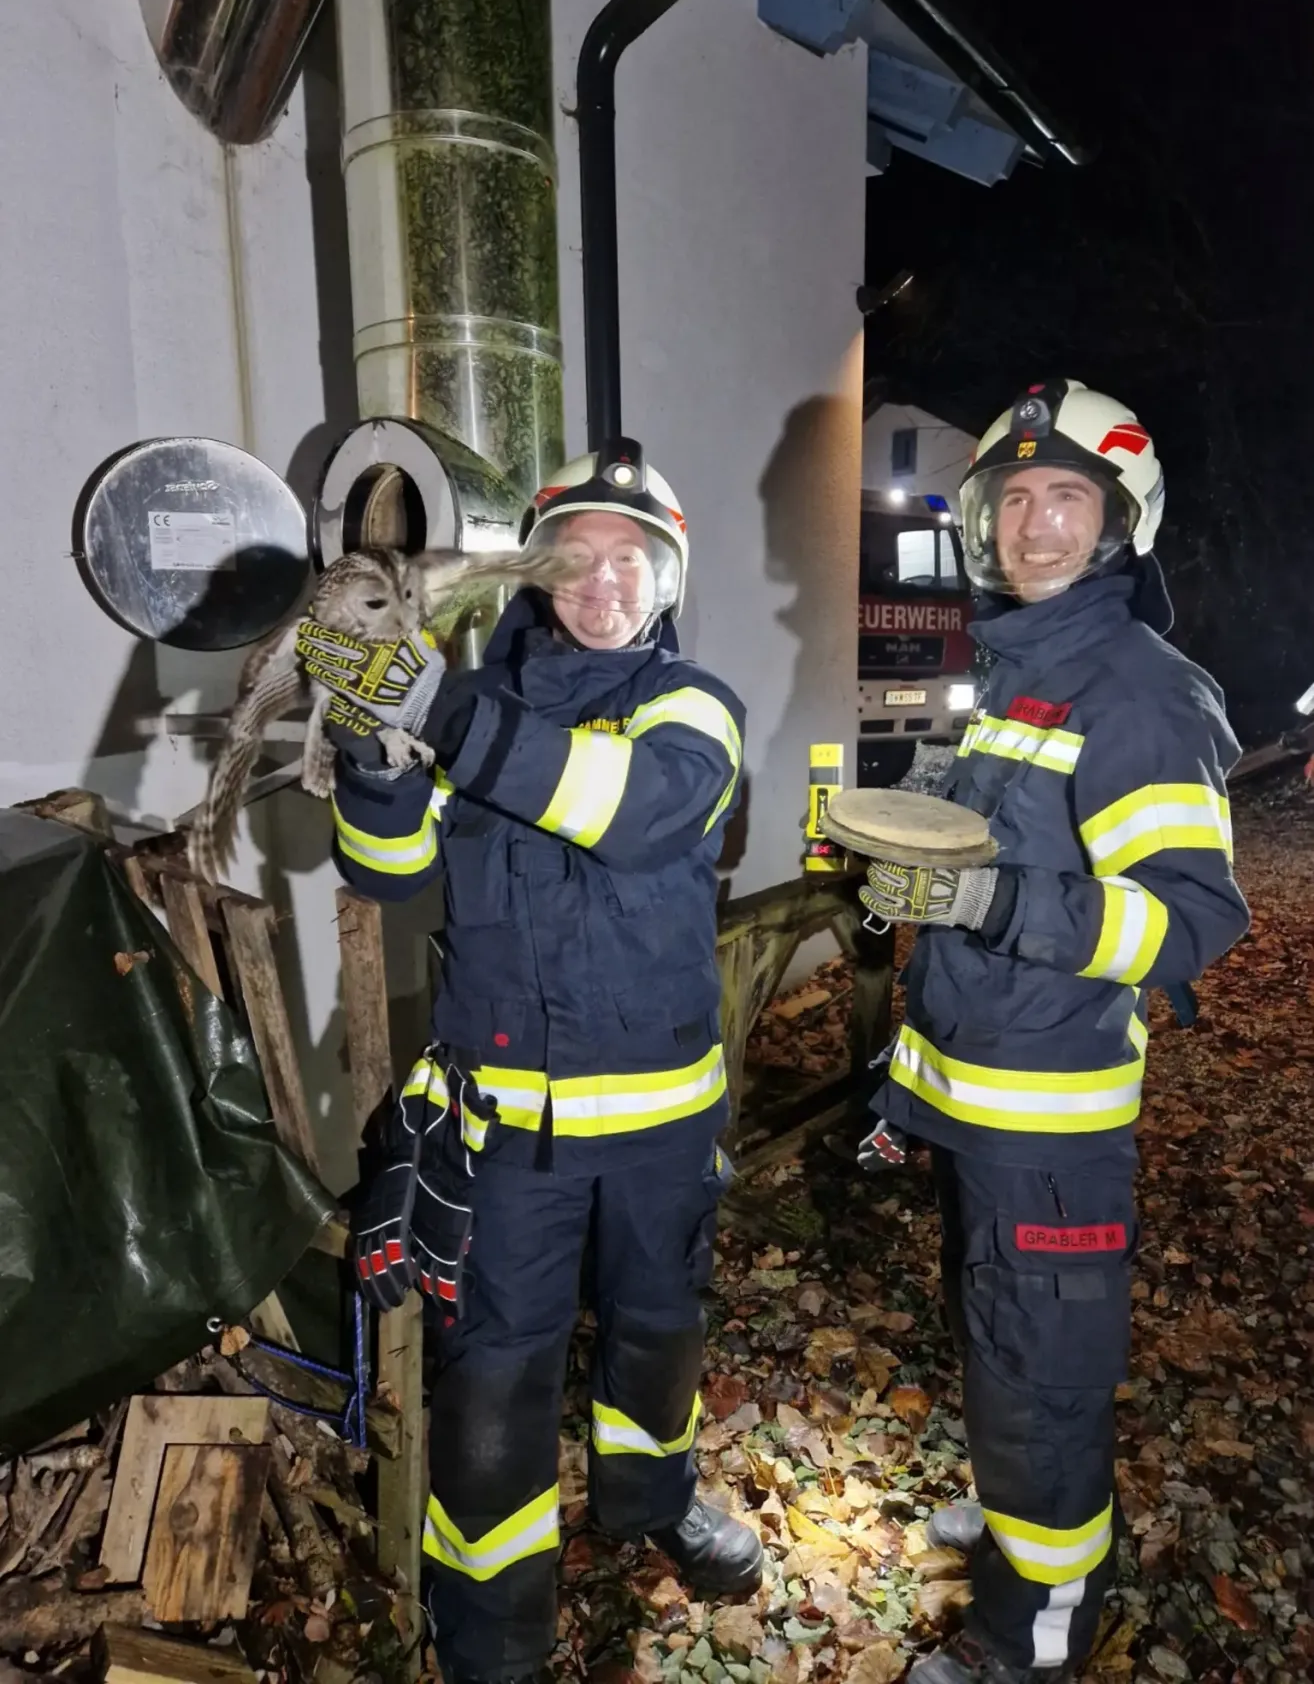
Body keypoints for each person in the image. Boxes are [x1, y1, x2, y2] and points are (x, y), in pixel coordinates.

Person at [295, 438, 761, 1684]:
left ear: (667, 583)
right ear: (534, 574)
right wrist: (375, 759)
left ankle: (648, 1503)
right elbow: (385, 874)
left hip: (662, 1128)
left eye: (634, 561)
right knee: (496, 1387)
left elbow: (624, 812)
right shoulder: (467, 714)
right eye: (577, 556)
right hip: (508, 1131)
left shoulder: (692, 705)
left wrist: (434, 711)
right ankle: (496, 1638)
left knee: (658, 1336)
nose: (604, 581)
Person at [850, 382, 1248, 1683]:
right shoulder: (1013, 666)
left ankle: (1030, 1632)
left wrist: (987, 897)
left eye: (1065, 498)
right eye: (1011, 499)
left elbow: (1187, 920)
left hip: (1055, 1119)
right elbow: (994, 846)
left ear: (1118, 522)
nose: (1032, 526)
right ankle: (1029, 1526)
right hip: (982, 1099)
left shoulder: (1134, 688)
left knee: (1043, 1367)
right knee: (1002, 1334)